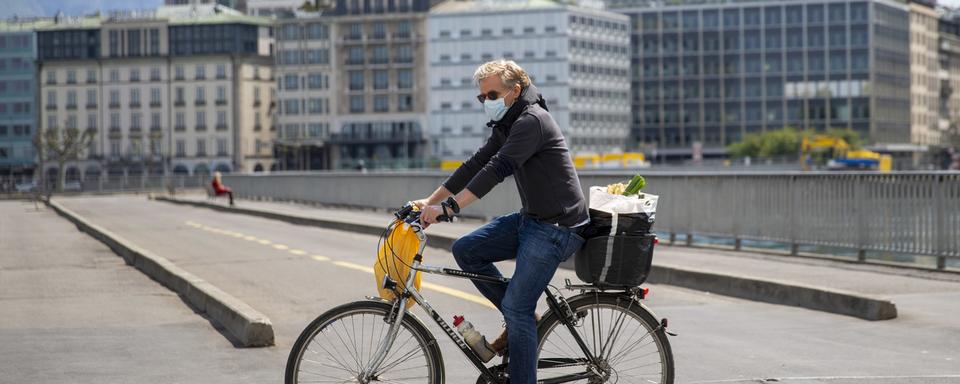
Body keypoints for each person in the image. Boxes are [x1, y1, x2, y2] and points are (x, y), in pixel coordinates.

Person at [415, 59, 588, 383]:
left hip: (558, 227)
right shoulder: (508, 122)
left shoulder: (532, 121)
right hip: (533, 219)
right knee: (467, 250)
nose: (486, 102)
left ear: (515, 90)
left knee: (516, 308)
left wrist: (449, 208)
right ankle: (523, 318)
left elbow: (497, 169)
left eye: (492, 94)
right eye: (482, 97)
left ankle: (520, 322)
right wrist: (430, 201)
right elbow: (476, 163)